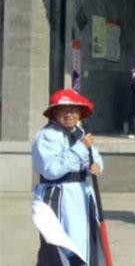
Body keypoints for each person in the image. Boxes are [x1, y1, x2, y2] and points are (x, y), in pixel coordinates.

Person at [31, 88, 106, 265]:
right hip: (57, 196)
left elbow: (94, 156)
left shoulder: (80, 134)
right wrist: (80, 149)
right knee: (59, 245)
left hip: (81, 195)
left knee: (85, 242)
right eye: (64, 111)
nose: (69, 115)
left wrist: (95, 166)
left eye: (73, 111)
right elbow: (51, 169)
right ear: (55, 113)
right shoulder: (46, 136)